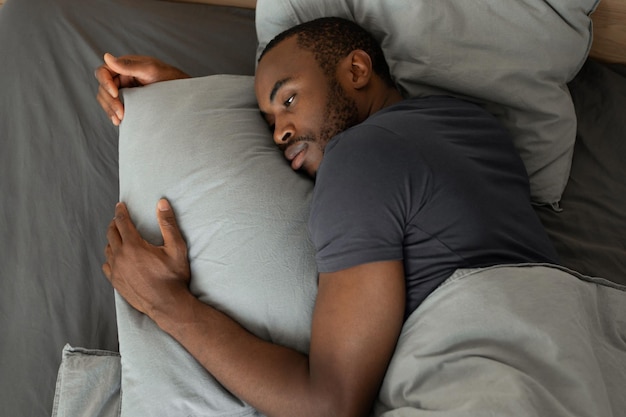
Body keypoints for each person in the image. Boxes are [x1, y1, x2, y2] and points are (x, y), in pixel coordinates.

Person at [97, 17, 559, 417]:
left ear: (357, 70)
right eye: (269, 121)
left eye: (289, 100)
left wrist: (166, 304)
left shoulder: (356, 157)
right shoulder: (473, 124)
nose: (280, 132)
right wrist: (191, 100)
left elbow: (330, 405)